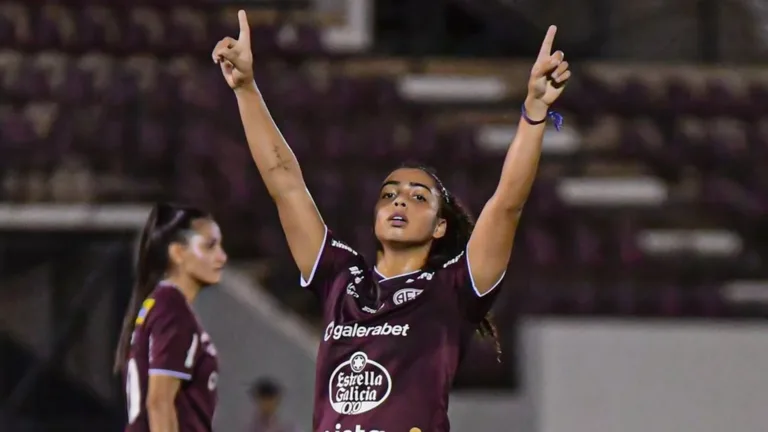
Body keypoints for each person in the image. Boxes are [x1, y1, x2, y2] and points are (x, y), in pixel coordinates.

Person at [213, 11, 570, 432]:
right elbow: (285, 183)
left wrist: (533, 113)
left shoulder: (452, 289)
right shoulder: (339, 277)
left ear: (439, 226)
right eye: (389, 194)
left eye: (418, 197)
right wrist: (247, 89)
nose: (399, 200)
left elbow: (507, 203)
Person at [114, 203, 227, 432]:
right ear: (177, 253)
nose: (222, 257)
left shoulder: (160, 304)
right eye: (209, 246)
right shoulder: (172, 309)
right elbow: (159, 403)